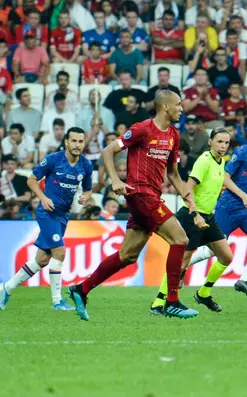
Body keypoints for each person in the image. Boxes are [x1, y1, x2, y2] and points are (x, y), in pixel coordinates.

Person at [67, 89, 200, 320]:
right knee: (180, 239)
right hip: (140, 194)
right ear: (165, 106)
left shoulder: (173, 135)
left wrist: (190, 200)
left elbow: (174, 174)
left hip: (151, 197)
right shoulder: (142, 129)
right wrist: (116, 180)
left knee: (127, 255)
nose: (182, 108)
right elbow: (108, 151)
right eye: (178, 104)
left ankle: (82, 289)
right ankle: (172, 301)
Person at [0, 127, 93, 311]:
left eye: (81, 141)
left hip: (63, 215)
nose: (77, 145)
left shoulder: (86, 165)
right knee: (60, 253)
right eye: (74, 141)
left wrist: (86, 196)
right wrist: (42, 197)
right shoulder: (53, 159)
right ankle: (57, 301)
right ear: (66, 142)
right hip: (47, 213)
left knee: (41, 260)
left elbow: (88, 188)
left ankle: (6, 288)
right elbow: (31, 179)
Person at [150, 128, 233, 314]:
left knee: (226, 256)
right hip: (192, 216)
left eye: (226, 143)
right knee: (181, 263)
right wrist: (195, 214)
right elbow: (187, 188)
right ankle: (158, 302)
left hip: (208, 217)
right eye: (219, 142)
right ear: (210, 142)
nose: (223, 146)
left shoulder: (221, 163)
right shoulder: (204, 161)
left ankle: (203, 294)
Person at [187, 121, 247, 297]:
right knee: (214, 250)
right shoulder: (241, 152)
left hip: (245, 209)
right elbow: (225, 178)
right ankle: (181, 266)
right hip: (228, 207)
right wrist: (244, 196)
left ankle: (243, 280)